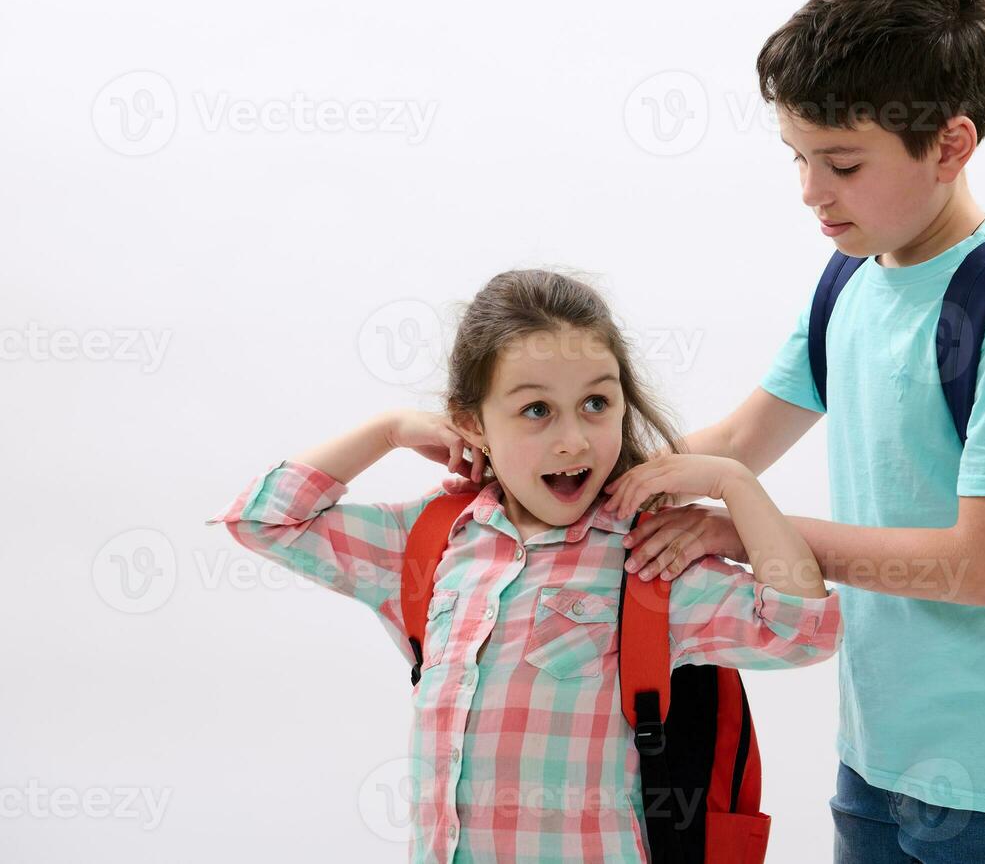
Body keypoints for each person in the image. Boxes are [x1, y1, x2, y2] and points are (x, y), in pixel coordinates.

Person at [606, 0, 985, 864]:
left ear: (950, 144)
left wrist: (744, 528)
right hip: (876, 749)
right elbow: (735, 440)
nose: (810, 192)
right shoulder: (853, 279)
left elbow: (980, 569)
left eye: (842, 164)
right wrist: (556, 485)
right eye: (797, 157)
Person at [206, 268, 841, 863]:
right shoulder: (426, 538)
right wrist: (388, 429)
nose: (574, 439)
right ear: (471, 423)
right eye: (536, 410)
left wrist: (737, 486)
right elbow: (264, 520)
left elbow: (802, 630)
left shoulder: (650, 558)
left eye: (597, 404)